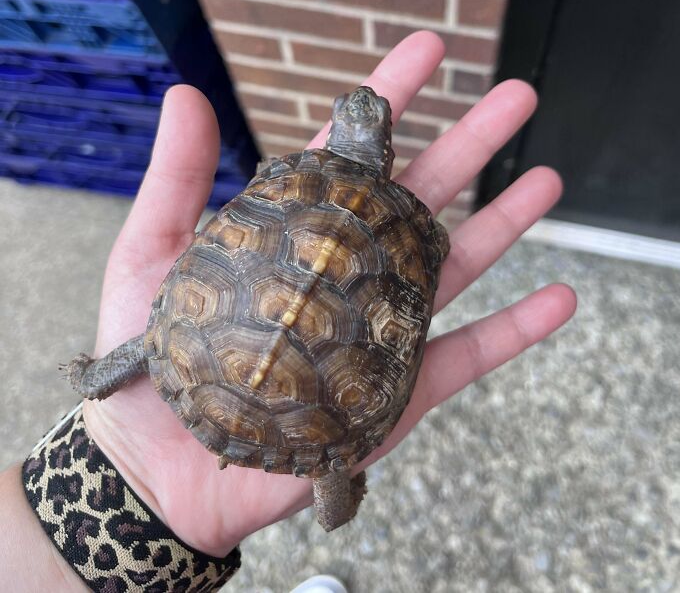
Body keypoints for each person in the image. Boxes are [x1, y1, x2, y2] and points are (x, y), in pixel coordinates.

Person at [0, 31, 577, 590]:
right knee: (329, 457)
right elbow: (428, 257)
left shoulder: (287, 178)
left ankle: (94, 378)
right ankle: (336, 505)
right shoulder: (408, 235)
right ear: (387, 147)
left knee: (159, 348)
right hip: (317, 415)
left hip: (204, 355)